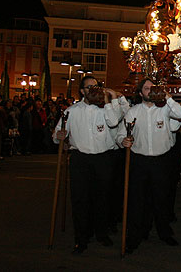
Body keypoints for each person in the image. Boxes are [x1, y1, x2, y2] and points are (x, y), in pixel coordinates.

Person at [52, 76, 126, 255]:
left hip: (103, 158)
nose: (94, 89)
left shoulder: (105, 109)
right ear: (82, 91)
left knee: (102, 198)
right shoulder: (72, 111)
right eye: (89, 87)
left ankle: (101, 233)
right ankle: (81, 238)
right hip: (80, 159)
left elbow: (114, 121)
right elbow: (57, 134)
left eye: (96, 86)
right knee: (80, 199)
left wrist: (108, 100)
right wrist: (59, 136)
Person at [118, 79, 181, 252]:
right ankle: (136, 235)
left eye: (153, 88)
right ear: (140, 93)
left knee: (161, 198)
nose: (150, 91)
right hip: (139, 160)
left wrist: (167, 97)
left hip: (161, 161)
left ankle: (164, 232)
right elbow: (120, 134)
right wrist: (122, 141)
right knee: (138, 199)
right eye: (147, 89)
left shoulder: (164, 109)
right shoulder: (133, 112)